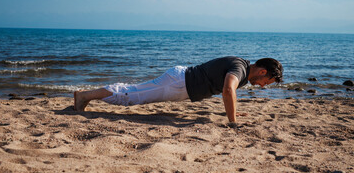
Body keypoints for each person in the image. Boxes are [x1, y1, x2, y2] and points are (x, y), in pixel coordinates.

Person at [74, 56, 283, 123]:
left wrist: (233, 112)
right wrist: (233, 122)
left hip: (180, 82)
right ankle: (84, 96)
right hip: (178, 83)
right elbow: (228, 90)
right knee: (130, 96)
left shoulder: (244, 71)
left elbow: (229, 92)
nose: (264, 87)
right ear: (263, 72)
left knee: (133, 93)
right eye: (267, 82)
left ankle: (86, 96)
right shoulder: (240, 68)